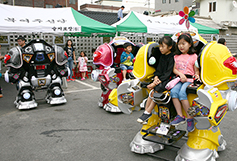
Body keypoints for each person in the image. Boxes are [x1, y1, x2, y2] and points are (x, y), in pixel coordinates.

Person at [137, 36, 175, 123]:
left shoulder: (172, 57)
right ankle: (146, 112)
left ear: (170, 47)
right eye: (160, 46)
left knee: (156, 91)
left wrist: (155, 82)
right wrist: (156, 77)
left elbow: (168, 73)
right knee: (151, 92)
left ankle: (148, 112)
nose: (161, 48)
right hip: (161, 79)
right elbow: (158, 70)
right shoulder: (162, 57)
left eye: (163, 46)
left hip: (169, 79)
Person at [169, 33, 200, 132]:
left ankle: (189, 118)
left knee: (182, 92)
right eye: (179, 44)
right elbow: (174, 69)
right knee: (173, 92)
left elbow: (196, 70)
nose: (181, 46)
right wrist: (180, 74)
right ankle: (180, 115)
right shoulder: (176, 56)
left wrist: (197, 75)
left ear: (190, 44)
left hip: (189, 80)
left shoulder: (194, 56)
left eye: (184, 43)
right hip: (179, 79)